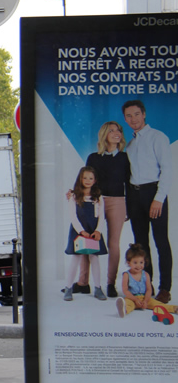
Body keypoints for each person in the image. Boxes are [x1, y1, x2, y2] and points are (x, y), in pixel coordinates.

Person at [72, 121, 130, 297]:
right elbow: (85, 180)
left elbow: (128, 183)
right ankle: (83, 283)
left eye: (118, 130)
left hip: (117, 201)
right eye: (111, 130)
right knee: (87, 238)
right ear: (104, 134)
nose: (116, 133)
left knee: (113, 242)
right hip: (94, 201)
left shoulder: (124, 158)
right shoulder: (93, 158)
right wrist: (73, 193)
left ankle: (110, 284)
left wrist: (128, 206)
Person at [123, 99, 172, 303]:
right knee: (141, 245)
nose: (133, 119)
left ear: (144, 114)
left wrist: (158, 199)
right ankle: (146, 287)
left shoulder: (158, 137)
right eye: (128, 116)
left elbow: (168, 170)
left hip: (154, 192)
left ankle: (165, 289)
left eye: (136, 114)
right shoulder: (130, 144)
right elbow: (128, 176)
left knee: (161, 242)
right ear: (125, 119)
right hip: (135, 196)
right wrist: (127, 205)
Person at [63, 166, 108, 301]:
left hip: (93, 231)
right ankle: (68, 287)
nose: (88, 180)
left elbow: (101, 215)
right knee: (75, 258)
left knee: (94, 258)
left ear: (94, 181)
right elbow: (73, 216)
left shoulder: (98, 198)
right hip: (79, 232)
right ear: (80, 179)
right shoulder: (74, 196)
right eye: (85, 178)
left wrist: (98, 231)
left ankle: (98, 288)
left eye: (91, 178)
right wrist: (81, 231)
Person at [115, 243, 178, 317]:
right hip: (132, 298)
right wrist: (135, 299)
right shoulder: (126, 275)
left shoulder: (146, 275)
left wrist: (145, 300)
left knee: (157, 304)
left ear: (144, 262)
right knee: (129, 303)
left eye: (141, 262)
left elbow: (149, 290)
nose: (139, 265)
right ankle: (124, 310)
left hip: (145, 298)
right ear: (129, 263)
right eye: (135, 263)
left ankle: (174, 308)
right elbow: (125, 290)